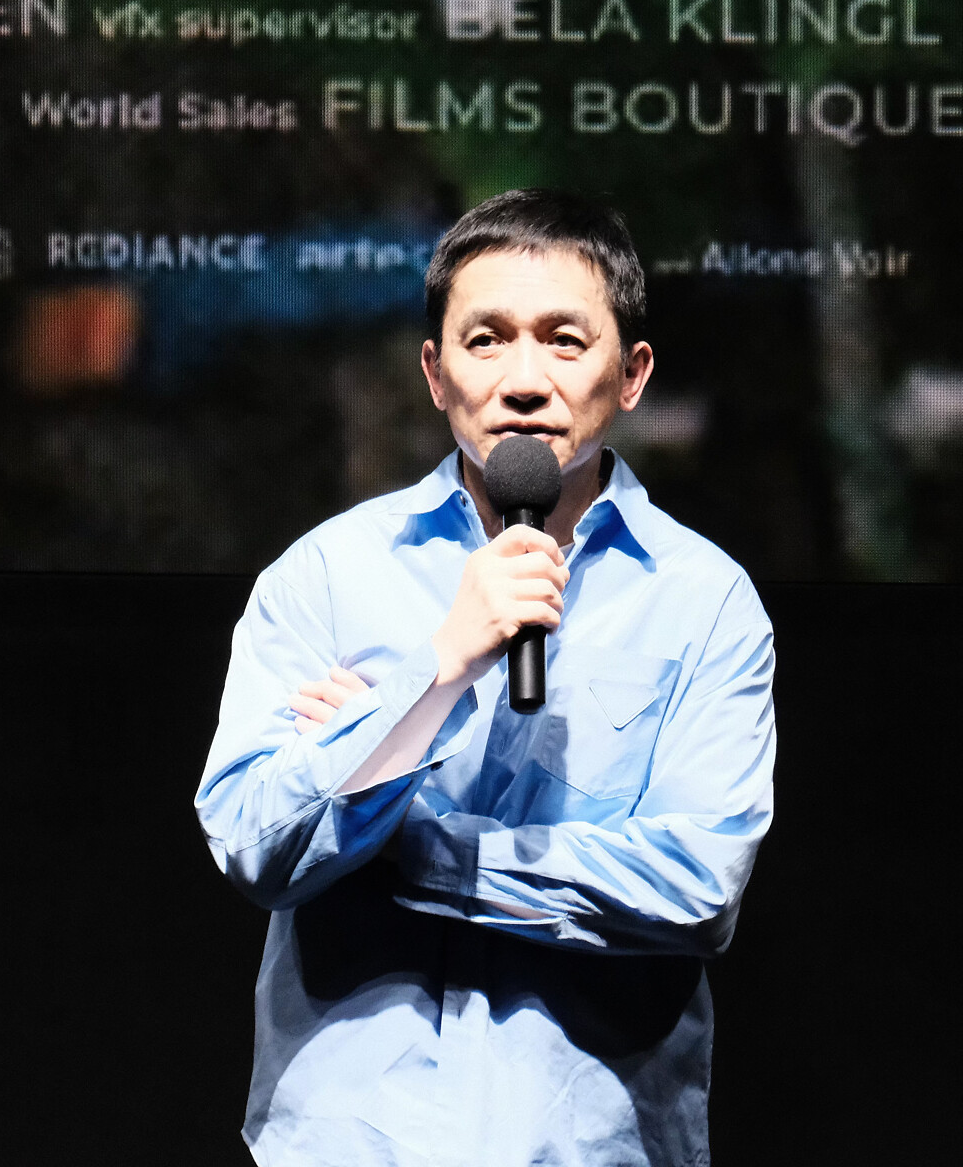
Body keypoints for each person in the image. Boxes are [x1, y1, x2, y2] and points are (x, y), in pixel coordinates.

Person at [194, 189, 777, 1166]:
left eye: (563, 340)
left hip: (590, 1145)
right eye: (486, 340)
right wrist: (438, 669)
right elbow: (254, 840)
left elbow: (696, 889)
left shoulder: (704, 599)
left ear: (632, 374)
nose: (524, 380)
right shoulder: (328, 573)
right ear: (435, 372)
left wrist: (403, 841)